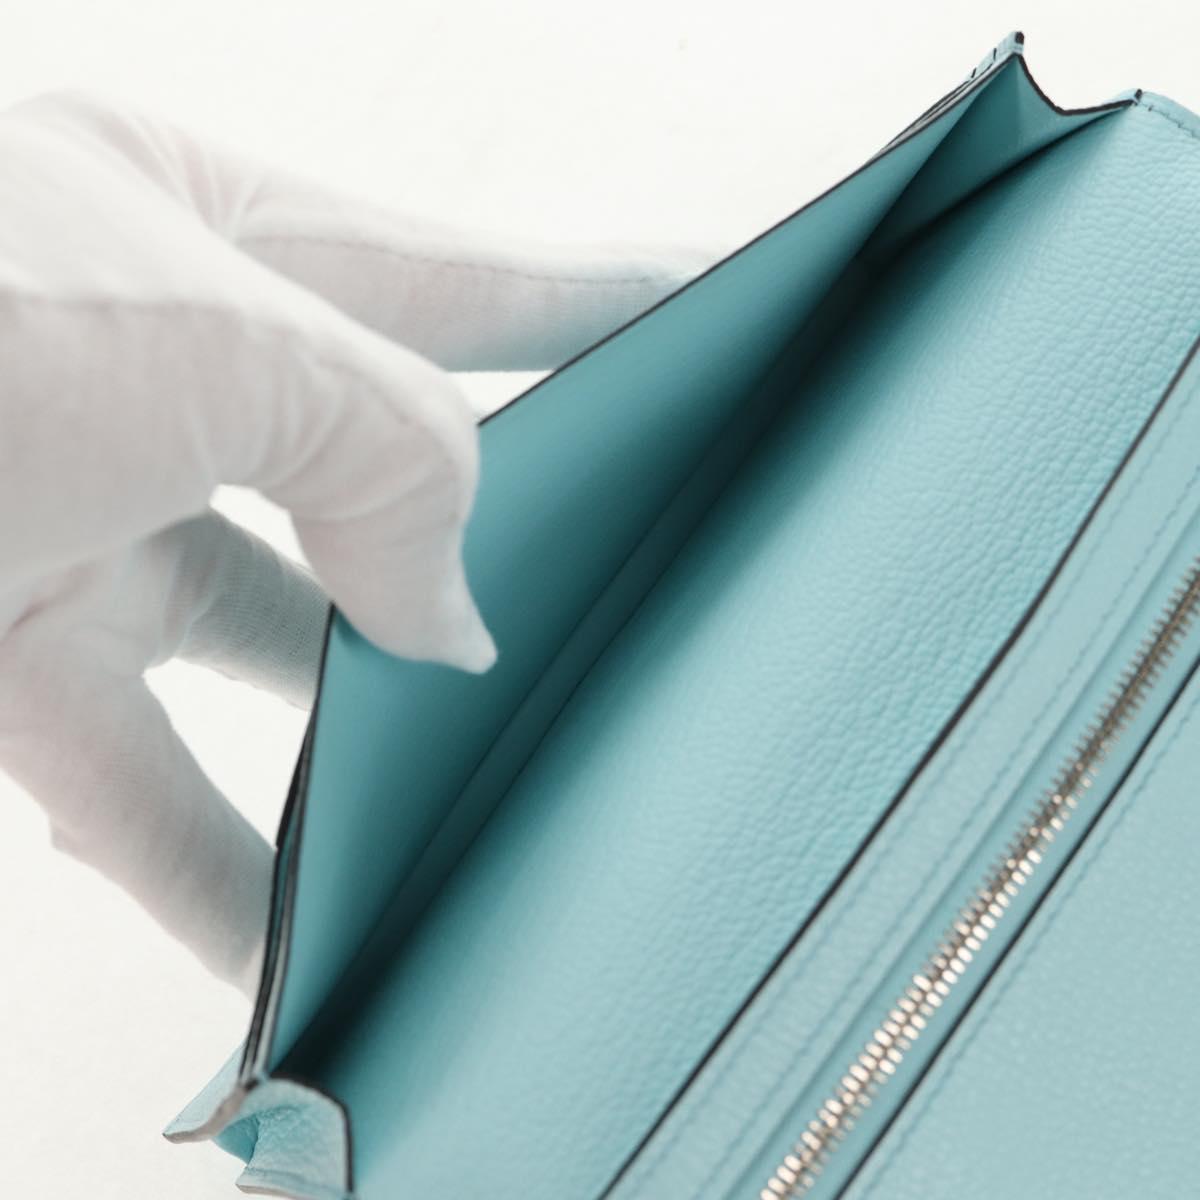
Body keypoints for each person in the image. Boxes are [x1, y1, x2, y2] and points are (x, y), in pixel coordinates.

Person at [0, 90, 709, 998]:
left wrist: (449, 670)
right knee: (220, 873)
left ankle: (801, 285)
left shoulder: (100, 328)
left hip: (98, 230)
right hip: (31, 543)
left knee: (533, 302)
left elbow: (409, 439)